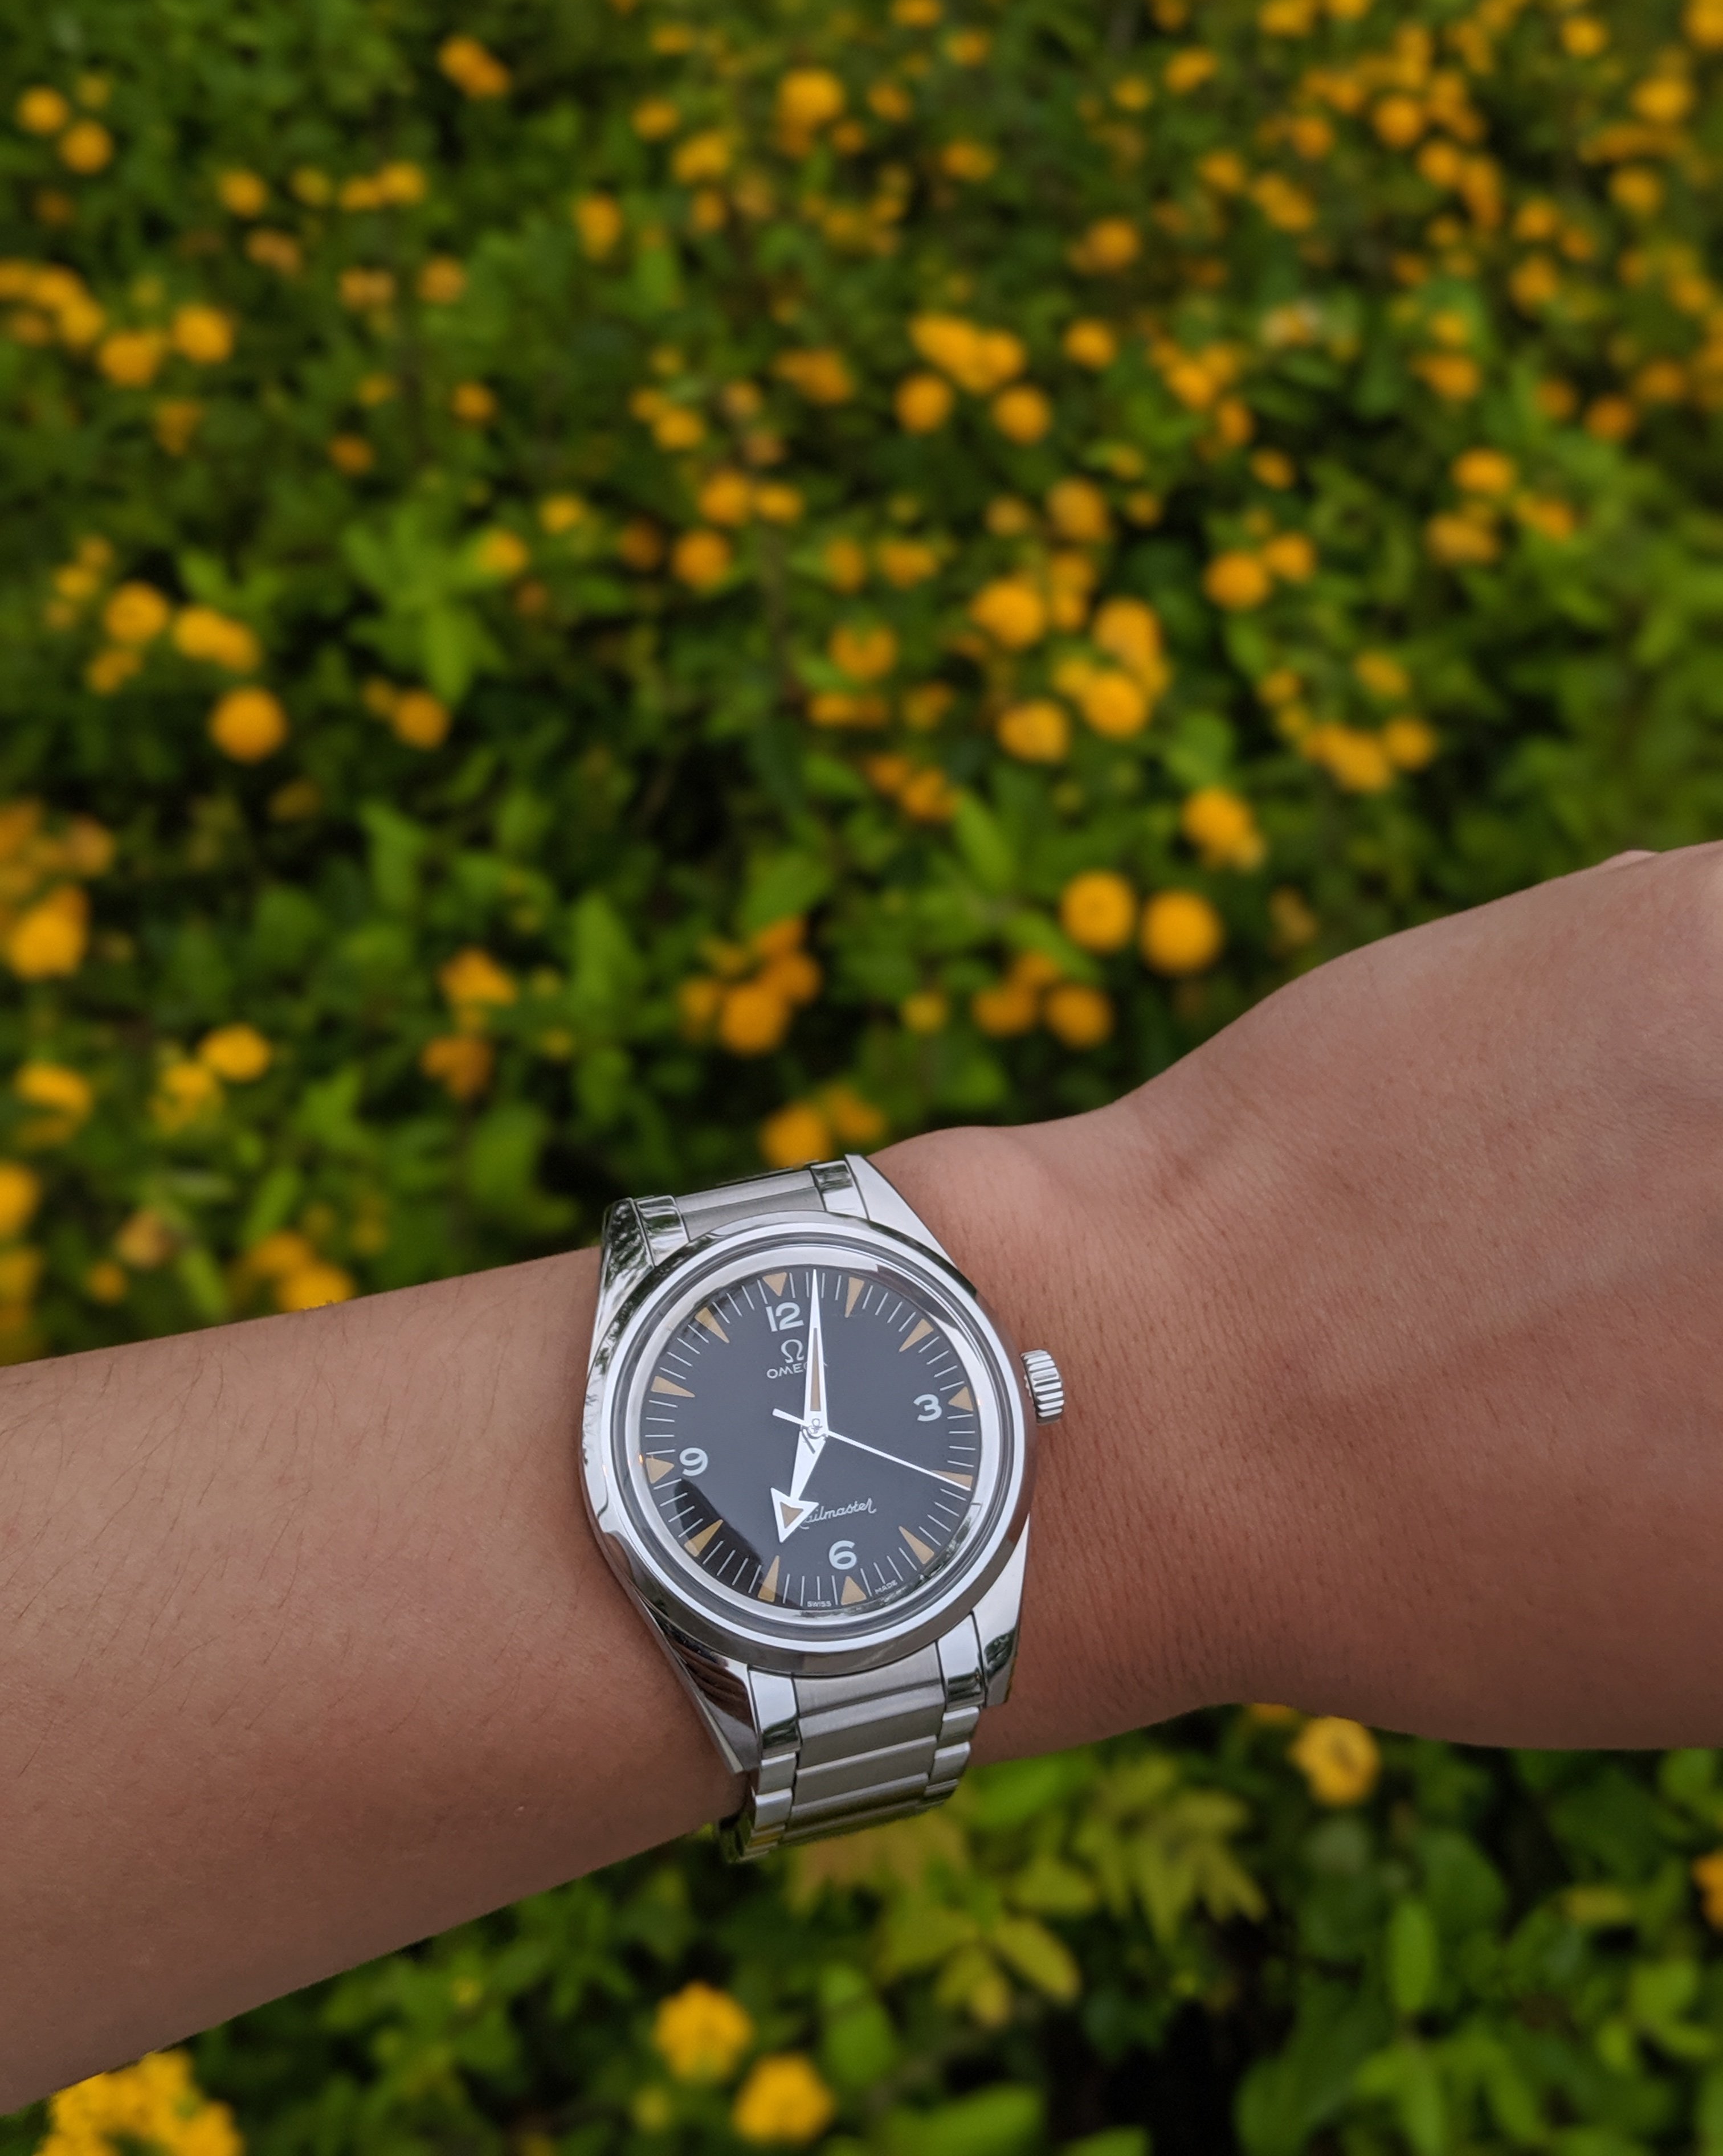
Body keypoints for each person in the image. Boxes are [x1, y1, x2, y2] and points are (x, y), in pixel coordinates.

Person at [4, 843, 1720, 2103]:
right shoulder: (780, 1385)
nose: (824, 1432)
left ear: (1024, 1388)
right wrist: (1198, 1334)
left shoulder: (913, 1410)